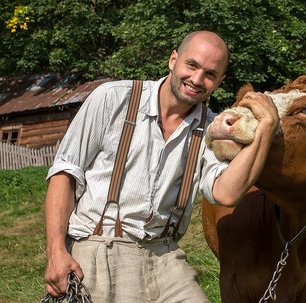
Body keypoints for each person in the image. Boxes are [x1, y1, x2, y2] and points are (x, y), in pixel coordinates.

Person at [43, 30, 279, 302]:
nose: (197, 80)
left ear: (220, 81)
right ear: (173, 60)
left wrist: (266, 128)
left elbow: (226, 193)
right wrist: (56, 252)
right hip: (98, 249)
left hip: (164, 254)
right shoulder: (112, 99)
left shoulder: (210, 128)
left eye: (210, 74)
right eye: (192, 65)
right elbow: (64, 173)